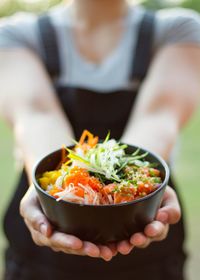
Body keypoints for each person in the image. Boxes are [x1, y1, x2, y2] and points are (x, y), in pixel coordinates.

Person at [0, 0, 200, 279]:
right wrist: (56, 195)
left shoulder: (178, 29)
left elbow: (159, 116)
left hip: (147, 258)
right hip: (41, 264)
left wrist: (134, 198)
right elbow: (35, 115)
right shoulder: (16, 34)